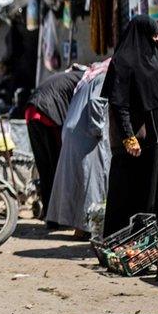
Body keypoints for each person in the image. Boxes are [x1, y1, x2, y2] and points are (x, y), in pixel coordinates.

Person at [101, 15, 158, 237]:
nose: (156, 38)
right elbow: (119, 103)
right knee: (127, 187)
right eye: (153, 34)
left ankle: (154, 235)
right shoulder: (122, 62)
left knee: (157, 185)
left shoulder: (154, 58)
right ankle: (121, 237)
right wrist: (128, 137)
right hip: (138, 135)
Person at [46, 59, 111, 235]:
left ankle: (79, 229)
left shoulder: (90, 78)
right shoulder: (104, 77)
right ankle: (88, 227)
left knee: (76, 181)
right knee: (91, 182)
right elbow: (97, 103)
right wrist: (99, 132)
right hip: (87, 134)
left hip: (73, 131)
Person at [26, 66, 84, 223]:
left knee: (45, 168)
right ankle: (60, 217)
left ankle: (50, 217)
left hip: (32, 113)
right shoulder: (87, 80)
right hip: (48, 116)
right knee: (59, 168)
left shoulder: (68, 77)